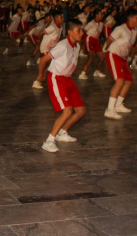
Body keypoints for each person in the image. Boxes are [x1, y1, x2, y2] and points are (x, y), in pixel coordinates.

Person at [36, 19, 86, 153]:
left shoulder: (77, 46)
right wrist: (41, 74)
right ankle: (49, 141)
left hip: (68, 79)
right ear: (70, 32)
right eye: (78, 30)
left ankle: (62, 132)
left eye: (82, 30)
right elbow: (44, 59)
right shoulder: (62, 45)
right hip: (57, 78)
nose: (81, 33)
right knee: (68, 111)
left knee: (81, 111)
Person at [103, 9, 137, 120]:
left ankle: (118, 105)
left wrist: (129, 56)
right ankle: (109, 110)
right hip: (113, 55)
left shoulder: (134, 30)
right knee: (119, 81)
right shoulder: (121, 29)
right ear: (131, 18)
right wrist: (104, 50)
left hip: (123, 58)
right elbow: (109, 40)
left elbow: (130, 45)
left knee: (128, 81)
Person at [32, 11, 64, 89]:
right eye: (61, 17)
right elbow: (40, 33)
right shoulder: (52, 27)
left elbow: (57, 38)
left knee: (50, 64)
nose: (62, 19)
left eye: (63, 17)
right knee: (48, 63)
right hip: (45, 47)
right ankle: (38, 80)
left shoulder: (61, 27)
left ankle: (43, 77)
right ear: (56, 19)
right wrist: (39, 41)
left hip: (52, 48)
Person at [79, 10, 106, 80]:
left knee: (102, 57)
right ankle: (82, 73)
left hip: (96, 41)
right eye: (100, 14)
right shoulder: (91, 23)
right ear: (96, 15)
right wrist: (80, 40)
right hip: (89, 40)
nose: (102, 16)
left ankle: (97, 71)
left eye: (102, 15)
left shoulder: (101, 23)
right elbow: (83, 30)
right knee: (91, 57)